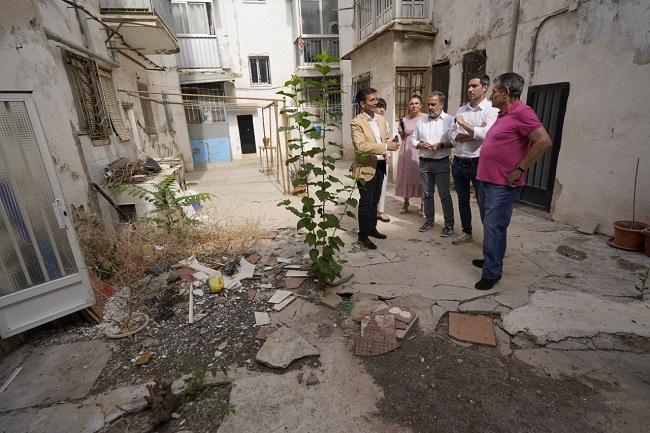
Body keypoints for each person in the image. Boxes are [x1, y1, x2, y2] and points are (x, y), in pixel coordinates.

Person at [473, 72, 552, 290]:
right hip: (487, 180)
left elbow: (543, 141)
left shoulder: (523, 113)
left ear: (506, 93)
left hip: (502, 185)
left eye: (495, 93)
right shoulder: (503, 114)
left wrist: (520, 168)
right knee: (491, 227)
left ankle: (492, 272)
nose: (491, 98)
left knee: (494, 227)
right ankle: (492, 259)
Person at [448, 74, 499, 245]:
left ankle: (490, 239)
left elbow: (486, 134)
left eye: (474, 86)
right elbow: (452, 136)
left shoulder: (491, 109)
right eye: (469, 86)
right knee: (462, 200)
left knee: (484, 202)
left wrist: (462, 125)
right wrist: (473, 133)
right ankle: (466, 232)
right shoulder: (462, 110)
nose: (470, 89)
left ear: (485, 88)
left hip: (479, 163)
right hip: (459, 161)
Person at [351, 87, 400, 250]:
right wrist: (385, 146)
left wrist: (390, 146)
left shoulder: (380, 119)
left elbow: (385, 139)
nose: (376, 102)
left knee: (374, 201)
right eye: (371, 100)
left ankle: (371, 229)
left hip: (380, 164)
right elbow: (361, 147)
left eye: (376, 99)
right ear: (362, 103)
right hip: (365, 166)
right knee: (365, 203)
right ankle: (362, 235)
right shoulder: (356, 122)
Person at [411, 92, 455, 236]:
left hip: (441, 162)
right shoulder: (421, 121)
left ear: (441, 104)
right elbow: (413, 140)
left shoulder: (449, 120)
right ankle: (429, 221)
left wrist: (441, 145)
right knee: (428, 194)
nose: (430, 107)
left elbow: (455, 141)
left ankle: (449, 225)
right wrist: (419, 145)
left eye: (433, 104)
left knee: (444, 195)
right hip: (424, 163)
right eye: (429, 104)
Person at [395, 95, 426, 216]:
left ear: (421, 105)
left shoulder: (426, 118)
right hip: (406, 151)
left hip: (420, 151)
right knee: (406, 176)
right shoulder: (404, 120)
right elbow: (403, 137)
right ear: (408, 105)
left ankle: (423, 205)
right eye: (412, 103)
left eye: (416, 103)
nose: (414, 106)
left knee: (421, 177)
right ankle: (405, 202)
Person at [374, 98, 393, 223]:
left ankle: (380, 212)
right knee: (371, 188)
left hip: (383, 158)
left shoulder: (384, 123)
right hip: (371, 158)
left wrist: (388, 153)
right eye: (378, 106)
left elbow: (387, 140)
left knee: (382, 186)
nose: (381, 109)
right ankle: (372, 211)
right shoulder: (367, 122)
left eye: (383, 107)